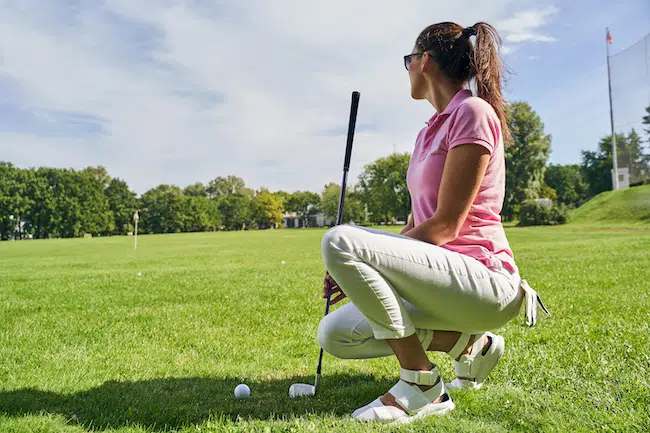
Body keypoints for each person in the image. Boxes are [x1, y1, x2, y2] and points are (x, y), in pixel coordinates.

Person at [318, 21, 550, 424]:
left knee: (340, 241)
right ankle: (466, 346)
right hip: (438, 282)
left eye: (407, 61)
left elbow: (444, 226)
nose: (407, 69)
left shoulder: (473, 112)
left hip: (484, 279)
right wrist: (362, 268)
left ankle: (422, 383)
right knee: (334, 333)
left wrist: (360, 255)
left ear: (423, 61)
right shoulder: (427, 132)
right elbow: (416, 224)